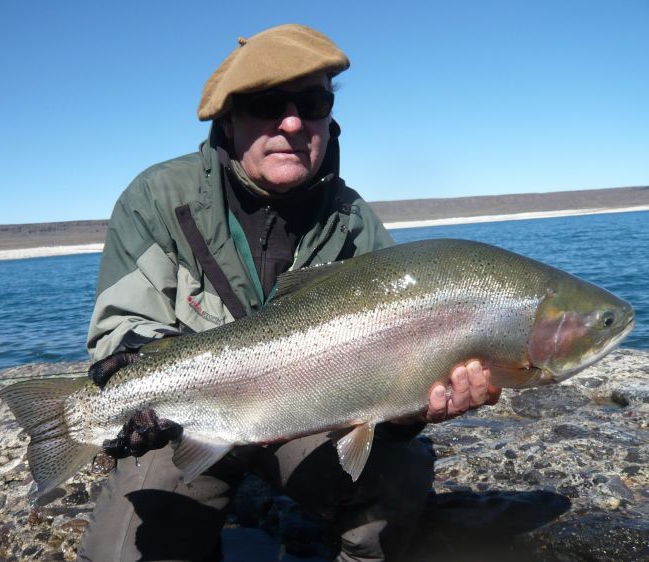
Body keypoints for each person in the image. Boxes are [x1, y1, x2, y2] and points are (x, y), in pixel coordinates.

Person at [78, 24, 500, 562]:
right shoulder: (158, 199)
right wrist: (134, 377)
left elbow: (393, 378)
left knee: (399, 481)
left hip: (312, 416)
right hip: (190, 415)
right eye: (266, 104)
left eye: (312, 102)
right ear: (227, 120)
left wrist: (412, 409)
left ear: (330, 116)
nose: (293, 121)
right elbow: (121, 327)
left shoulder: (353, 222)